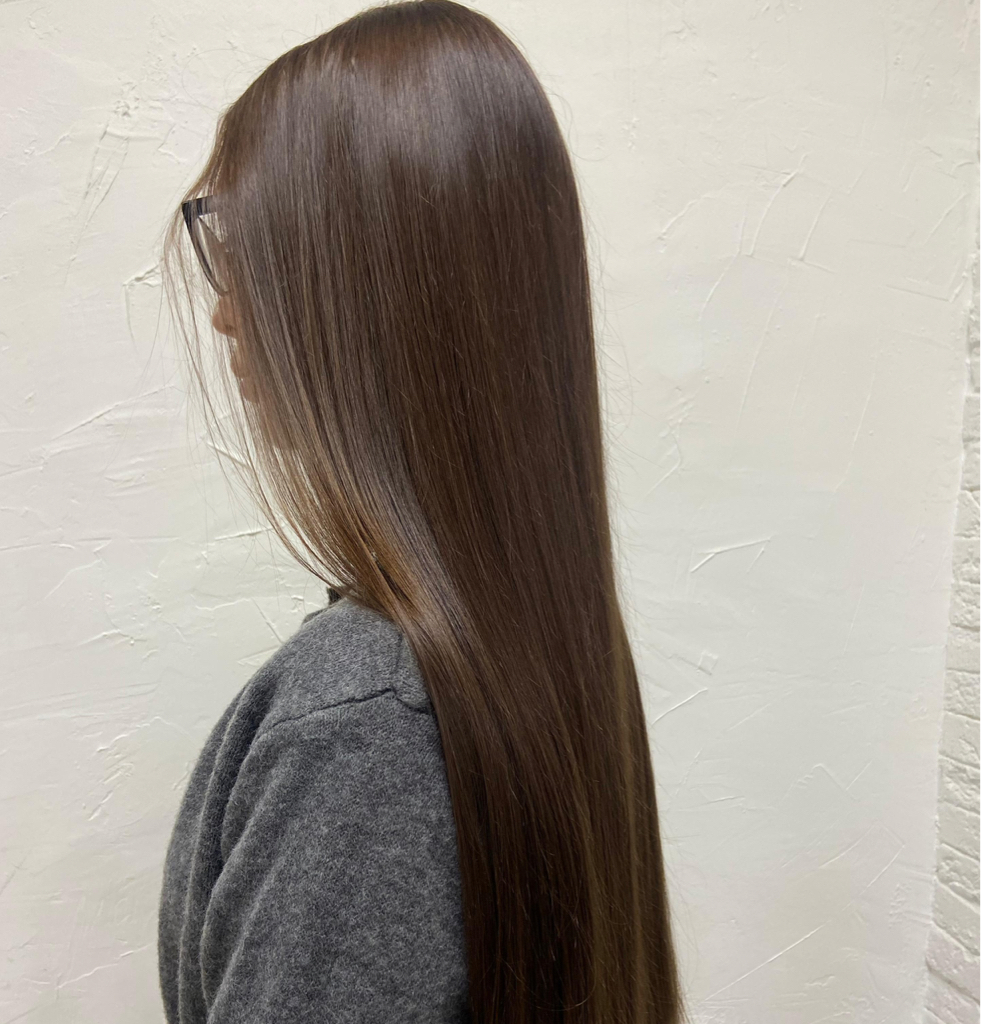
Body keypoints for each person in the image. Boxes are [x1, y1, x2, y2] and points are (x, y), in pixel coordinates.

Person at [158, 2, 684, 1022]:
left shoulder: (362, 722)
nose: (222, 308)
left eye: (250, 240)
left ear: (368, 279)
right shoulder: (542, 639)